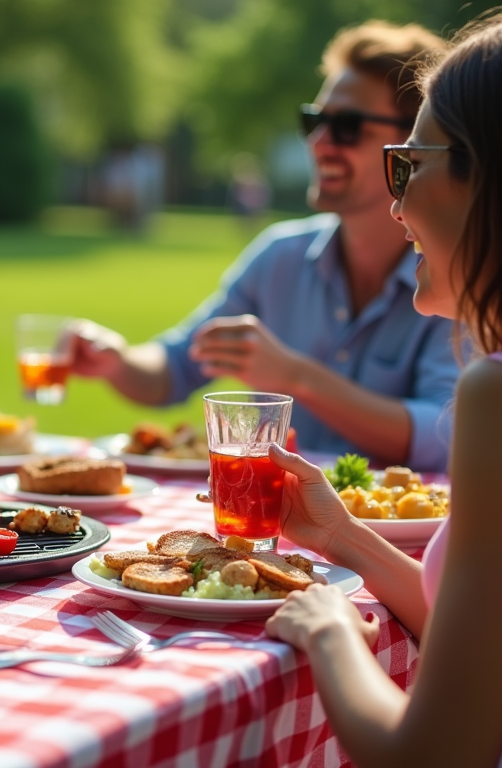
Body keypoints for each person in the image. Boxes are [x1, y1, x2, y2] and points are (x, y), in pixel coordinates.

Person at [263, 14, 502, 766]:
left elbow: (433, 752)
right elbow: (480, 641)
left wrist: (328, 628)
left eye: (407, 167)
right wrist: (341, 540)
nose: (395, 205)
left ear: (484, 178)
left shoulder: (492, 397)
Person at [70, 21, 458, 471]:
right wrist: (115, 359)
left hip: (390, 533)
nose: (318, 143)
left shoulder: (449, 274)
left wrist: (297, 378)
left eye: (346, 126)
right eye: (314, 121)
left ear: (411, 146)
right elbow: (176, 367)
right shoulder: (279, 257)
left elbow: (446, 436)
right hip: (275, 523)